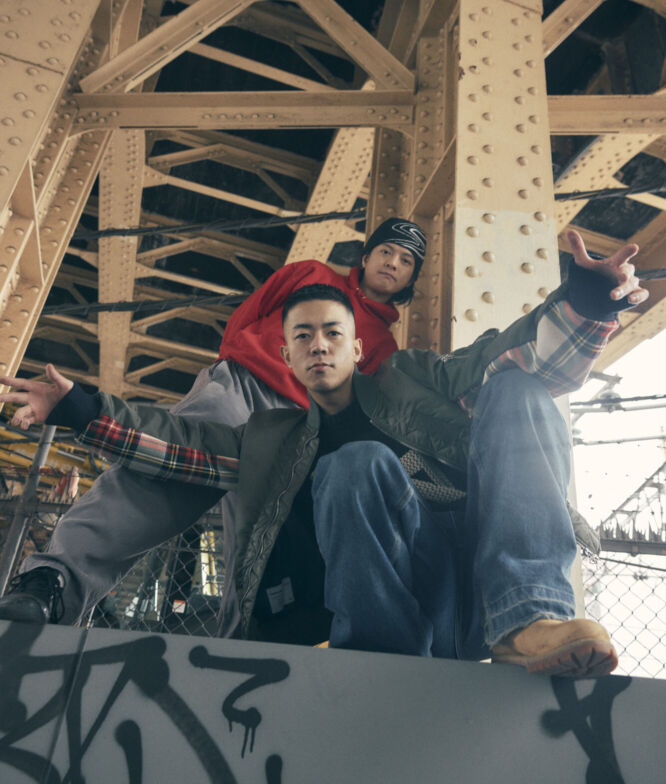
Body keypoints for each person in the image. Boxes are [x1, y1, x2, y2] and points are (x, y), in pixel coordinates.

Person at [0, 232, 648, 677]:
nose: (319, 345)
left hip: (473, 588)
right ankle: (374, 661)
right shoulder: (271, 438)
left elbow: (500, 357)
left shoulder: (409, 377)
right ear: (285, 355)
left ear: (360, 348)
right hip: (398, 617)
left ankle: (531, 616)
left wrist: (586, 302)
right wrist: (80, 408)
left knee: (519, 387)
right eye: (303, 336)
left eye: (333, 334)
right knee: (353, 464)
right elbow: (182, 449)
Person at [0, 217, 427, 627]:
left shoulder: (384, 347)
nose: (392, 263)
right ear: (366, 256)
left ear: (411, 278)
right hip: (242, 384)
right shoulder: (310, 274)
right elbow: (248, 315)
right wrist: (232, 364)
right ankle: (53, 582)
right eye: (386, 251)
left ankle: (243, 643)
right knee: (165, 472)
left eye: (405, 260)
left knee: (266, 543)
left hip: (295, 425)